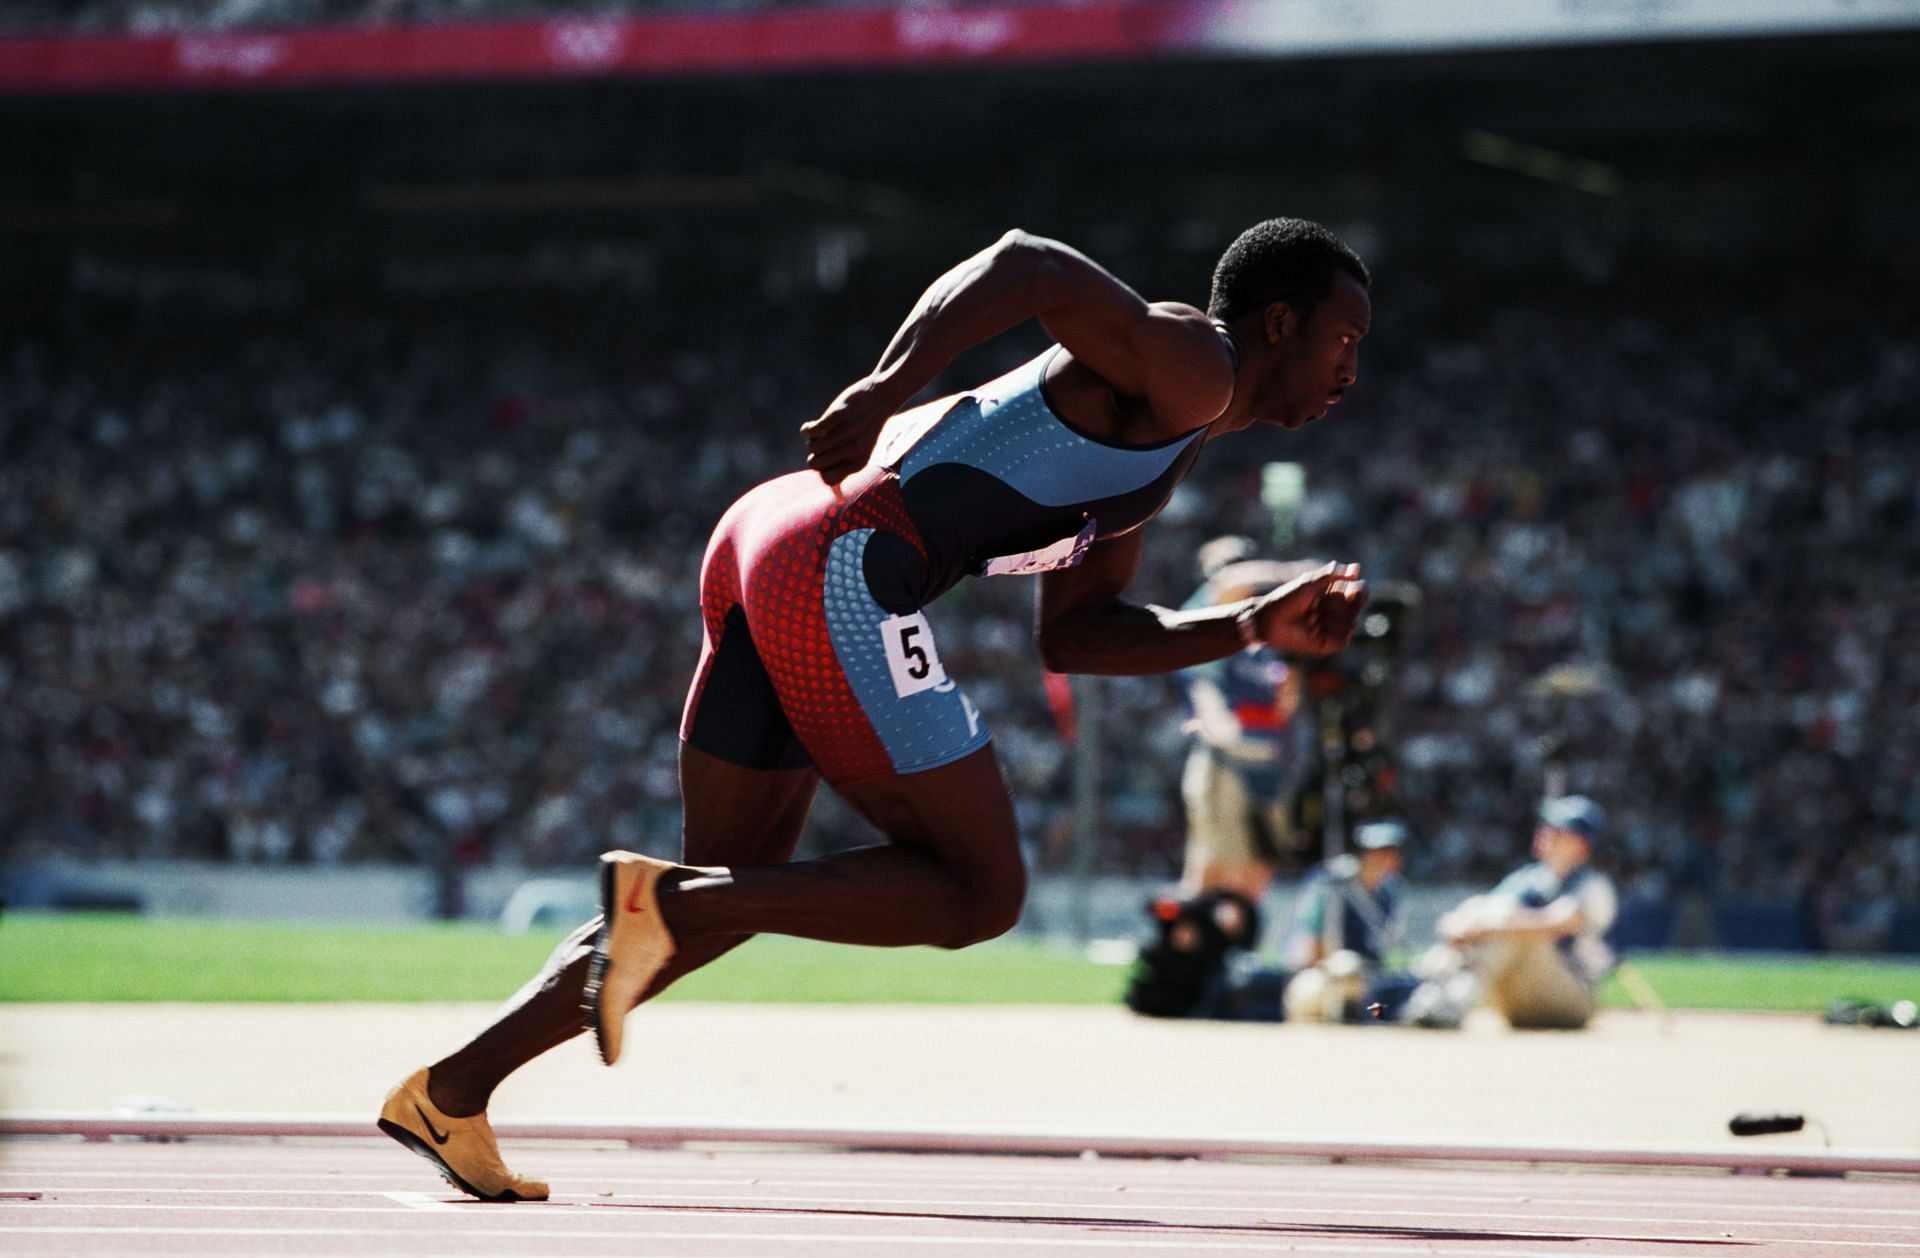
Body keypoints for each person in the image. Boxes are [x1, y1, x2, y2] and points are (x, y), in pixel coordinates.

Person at [377, 219, 1374, 1200]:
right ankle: (672, 899)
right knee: (980, 893)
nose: (1352, 372)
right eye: (1345, 340)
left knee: (713, 901)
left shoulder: (1168, 444)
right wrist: (886, 385)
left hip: (776, 533)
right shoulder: (1196, 363)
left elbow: (1078, 636)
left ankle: (451, 1090)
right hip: (842, 560)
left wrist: (1253, 626)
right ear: (1278, 324)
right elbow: (1028, 262)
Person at [1174, 536, 1320, 903]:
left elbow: (1287, 702)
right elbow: (1203, 689)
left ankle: (1237, 948)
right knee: (1213, 866)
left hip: (1269, 760)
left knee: (1259, 865)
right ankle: (1190, 947)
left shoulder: (1266, 633)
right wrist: (1299, 574)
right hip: (1225, 760)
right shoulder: (1202, 614)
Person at [1410, 796, 1617, 1031]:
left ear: (1580, 843)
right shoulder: (1529, 878)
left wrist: (1482, 927)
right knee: (1488, 911)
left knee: (1513, 926)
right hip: (1518, 1000)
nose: (1544, 833)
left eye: (1556, 830)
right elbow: (1484, 910)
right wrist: (1459, 923)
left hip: (1569, 1002)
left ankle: (1444, 1000)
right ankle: (1428, 987)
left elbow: (1557, 923)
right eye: (1545, 827)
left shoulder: (1592, 885)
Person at [1279, 819, 1411, 1022]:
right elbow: (1313, 945)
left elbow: (1390, 946)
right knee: (1343, 969)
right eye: (1378, 851)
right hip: (1327, 973)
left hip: (1369, 976)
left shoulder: (1390, 891)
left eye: (1391, 852)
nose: (1386, 858)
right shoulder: (1332, 884)